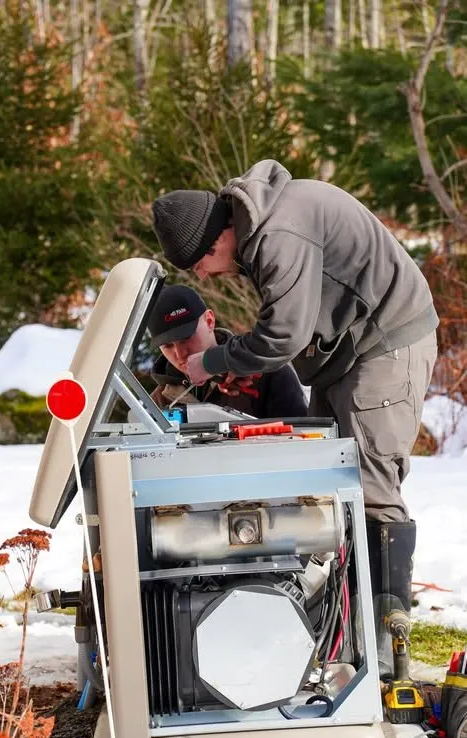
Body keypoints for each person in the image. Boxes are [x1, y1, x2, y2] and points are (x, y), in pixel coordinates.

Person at [151, 159, 439, 672]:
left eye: (198, 263)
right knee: (323, 479)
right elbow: (287, 325)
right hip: (346, 354)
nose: (201, 275)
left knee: (371, 489)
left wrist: (211, 361)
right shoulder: (262, 226)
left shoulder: (276, 233)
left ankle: (385, 653)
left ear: (217, 239)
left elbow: (285, 336)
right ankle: (338, 631)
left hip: (386, 345)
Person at [147, 283, 307, 419]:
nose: (180, 353)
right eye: (167, 346)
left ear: (210, 321)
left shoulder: (265, 372)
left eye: (186, 338)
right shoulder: (159, 402)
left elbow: (305, 443)